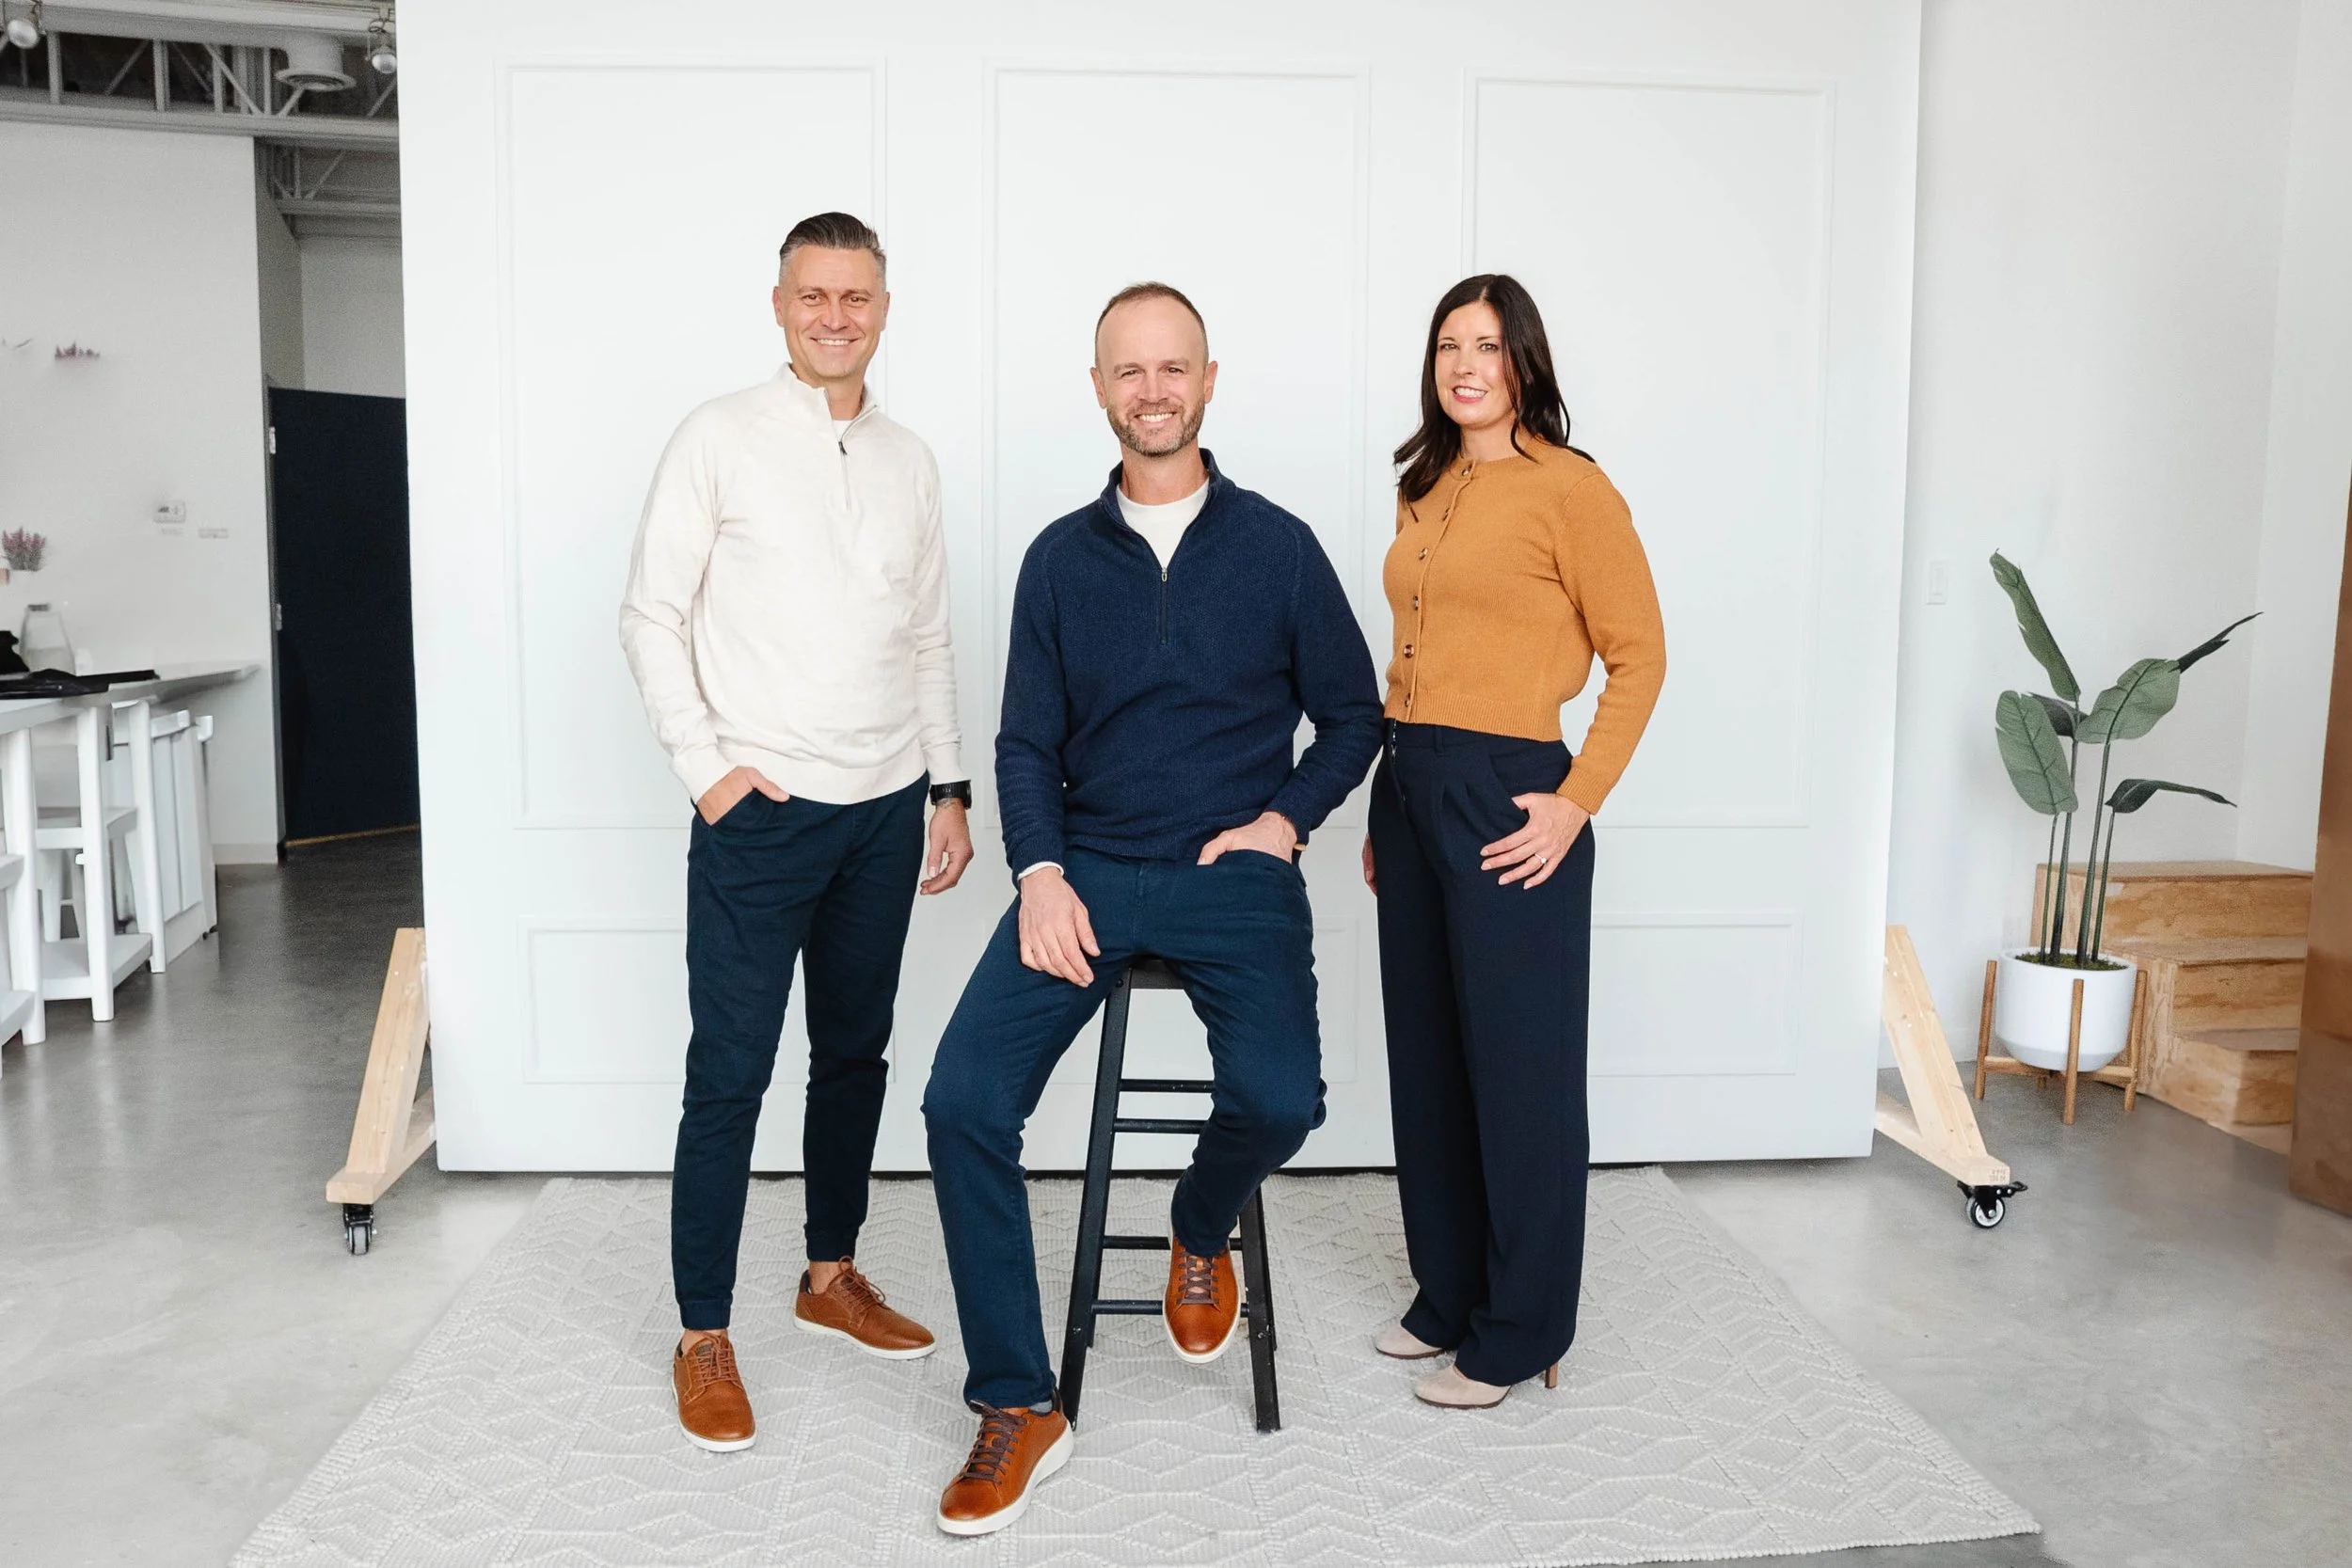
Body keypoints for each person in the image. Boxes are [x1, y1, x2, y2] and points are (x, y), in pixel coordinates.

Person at [919, 282, 1383, 1535]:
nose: (1155, 389)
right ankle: (1021, 1402)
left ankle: (1196, 1219)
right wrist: (1041, 871)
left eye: (1174, 367)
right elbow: (1023, 739)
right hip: (1092, 869)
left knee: (1286, 1097)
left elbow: (1354, 713)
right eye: (1131, 370)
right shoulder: (1062, 560)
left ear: (1210, 380)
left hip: (1235, 874)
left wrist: (1283, 821)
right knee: (960, 1099)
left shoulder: (1278, 546)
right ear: (1100, 388)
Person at [619, 212, 976, 1455]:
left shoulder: (911, 458)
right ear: (779, 303)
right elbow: (650, 613)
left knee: (855, 1054)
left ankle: (829, 1271)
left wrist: (948, 785)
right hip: (760, 816)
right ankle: (702, 1330)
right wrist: (706, 769)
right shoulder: (717, 437)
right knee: (728, 1074)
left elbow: (927, 632)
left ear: (885, 306)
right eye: (815, 294)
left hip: (886, 809)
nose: (836, 314)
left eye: (858, 296)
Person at [1363, 274, 1666, 1409]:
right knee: (1429, 1057)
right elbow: (1411, 660)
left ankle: (1522, 1322)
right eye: (1448, 344)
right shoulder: (1425, 483)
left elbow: (1639, 656)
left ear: (1524, 361)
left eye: (1486, 345)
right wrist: (1385, 805)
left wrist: (1576, 797)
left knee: (1519, 1071)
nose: (1463, 365)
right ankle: (1447, 1290)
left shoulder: (1572, 491)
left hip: (1510, 792)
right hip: (1412, 781)